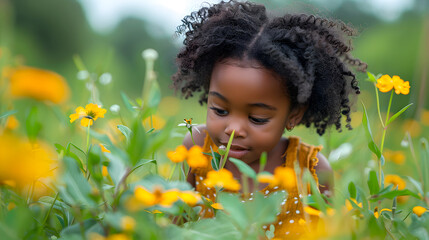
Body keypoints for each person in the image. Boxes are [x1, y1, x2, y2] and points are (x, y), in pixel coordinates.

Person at [172, 0, 366, 238]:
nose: (233, 129)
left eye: (257, 118)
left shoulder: (310, 170)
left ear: (294, 114)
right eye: (220, 110)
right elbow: (172, 225)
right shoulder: (197, 148)